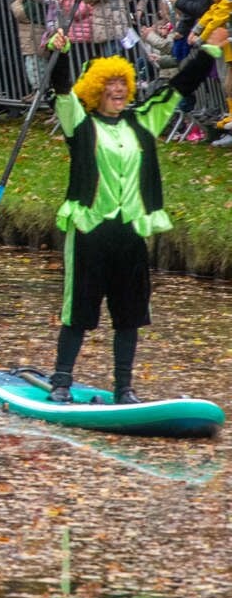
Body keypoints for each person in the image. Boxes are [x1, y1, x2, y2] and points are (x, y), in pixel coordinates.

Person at [40, 25, 229, 403]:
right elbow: (61, 90)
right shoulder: (80, 122)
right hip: (91, 228)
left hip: (130, 232)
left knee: (129, 315)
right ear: (97, 91)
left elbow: (180, 88)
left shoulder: (143, 120)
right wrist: (56, 52)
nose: (118, 91)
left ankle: (123, 388)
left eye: (122, 85)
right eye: (110, 86)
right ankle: (61, 382)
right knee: (78, 310)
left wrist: (209, 51)